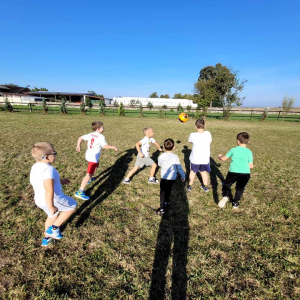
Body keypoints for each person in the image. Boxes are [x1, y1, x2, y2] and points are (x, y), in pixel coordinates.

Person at [30, 142, 77, 247]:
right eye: (54, 153)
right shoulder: (48, 169)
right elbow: (48, 188)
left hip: (39, 200)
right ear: (46, 157)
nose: (55, 155)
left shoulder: (35, 167)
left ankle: (46, 238)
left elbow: (42, 181)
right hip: (53, 199)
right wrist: (51, 205)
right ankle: (54, 228)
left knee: (52, 216)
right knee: (72, 205)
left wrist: (60, 181)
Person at [75, 121, 118, 200]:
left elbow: (80, 138)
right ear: (98, 129)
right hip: (93, 158)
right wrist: (113, 147)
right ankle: (80, 191)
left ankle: (90, 179)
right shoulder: (101, 137)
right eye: (102, 127)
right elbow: (105, 146)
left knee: (97, 165)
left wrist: (78, 146)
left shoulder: (91, 134)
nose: (103, 128)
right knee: (88, 174)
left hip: (89, 155)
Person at [218, 132, 254, 209]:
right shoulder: (249, 152)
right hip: (245, 174)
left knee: (227, 184)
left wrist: (220, 157)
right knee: (240, 188)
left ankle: (225, 196)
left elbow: (224, 159)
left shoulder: (233, 150)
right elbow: (250, 166)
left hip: (233, 172)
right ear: (248, 141)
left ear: (238, 141)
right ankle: (236, 203)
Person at [157, 139, 185, 215]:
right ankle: (166, 201)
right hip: (172, 178)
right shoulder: (175, 157)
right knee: (168, 189)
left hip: (164, 177)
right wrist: (183, 175)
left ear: (163, 146)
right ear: (174, 147)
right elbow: (179, 167)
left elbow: (159, 164)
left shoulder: (161, 156)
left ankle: (162, 208)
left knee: (162, 192)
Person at [187, 119, 212, 192]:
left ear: (196, 127)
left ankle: (190, 186)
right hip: (205, 159)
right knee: (203, 172)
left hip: (195, 159)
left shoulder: (192, 134)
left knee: (193, 171)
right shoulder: (208, 133)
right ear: (205, 126)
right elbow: (210, 142)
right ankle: (205, 186)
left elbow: (190, 142)